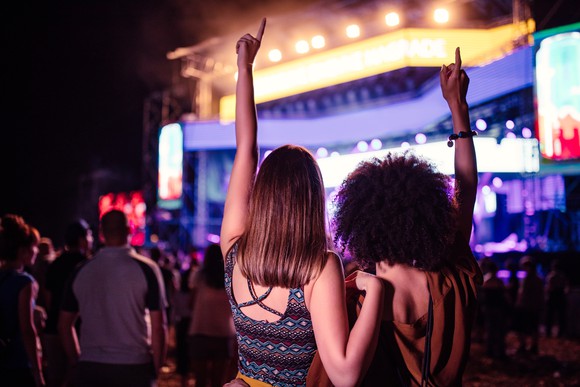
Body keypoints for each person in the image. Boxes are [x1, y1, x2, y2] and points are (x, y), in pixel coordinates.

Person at [220, 18, 384, 387]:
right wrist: (375, 292)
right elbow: (345, 376)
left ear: (261, 196)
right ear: (313, 202)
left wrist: (244, 68)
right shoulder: (320, 269)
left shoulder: (233, 253)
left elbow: (245, 148)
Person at [307, 47, 483, 386]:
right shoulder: (453, 282)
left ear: (359, 224)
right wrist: (458, 108)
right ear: (430, 215)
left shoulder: (352, 297)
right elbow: (466, 190)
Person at [58, 210, 167, 387]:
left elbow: (64, 325)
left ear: (101, 233)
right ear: (129, 230)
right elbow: (158, 326)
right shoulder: (147, 269)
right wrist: (155, 369)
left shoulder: (82, 270)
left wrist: (76, 361)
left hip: (90, 366)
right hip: (134, 365)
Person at [43, 219, 93, 387]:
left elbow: (48, 298)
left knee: (55, 379)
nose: (91, 239)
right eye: (89, 235)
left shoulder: (55, 264)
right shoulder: (87, 265)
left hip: (52, 330)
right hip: (79, 333)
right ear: (81, 239)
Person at [0, 214, 45, 387]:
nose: (37, 251)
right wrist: (38, 373)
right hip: (18, 363)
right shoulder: (24, 282)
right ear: (22, 251)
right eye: (34, 246)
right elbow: (27, 330)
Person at [187, 243, 236, 387]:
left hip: (200, 330)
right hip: (224, 334)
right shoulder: (230, 279)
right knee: (218, 381)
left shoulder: (199, 276)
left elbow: (190, 304)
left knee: (200, 380)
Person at [513, 255, 544, 354]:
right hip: (535, 307)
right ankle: (534, 346)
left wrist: (518, 304)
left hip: (526, 307)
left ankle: (524, 346)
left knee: (522, 327)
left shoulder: (527, 280)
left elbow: (522, 294)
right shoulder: (538, 279)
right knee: (534, 327)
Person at [480, 261, 508, 358]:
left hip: (488, 308)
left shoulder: (485, 280)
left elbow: (482, 296)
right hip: (497, 308)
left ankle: (490, 350)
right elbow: (504, 295)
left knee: (490, 329)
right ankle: (499, 351)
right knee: (499, 330)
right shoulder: (499, 281)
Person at [544, 259, 569, 338]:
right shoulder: (563, 275)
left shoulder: (551, 275)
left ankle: (548, 332)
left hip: (553, 296)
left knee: (550, 315)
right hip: (561, 295)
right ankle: (561, 332)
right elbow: (566, 286)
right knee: (561, 315)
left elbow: (549, 287)